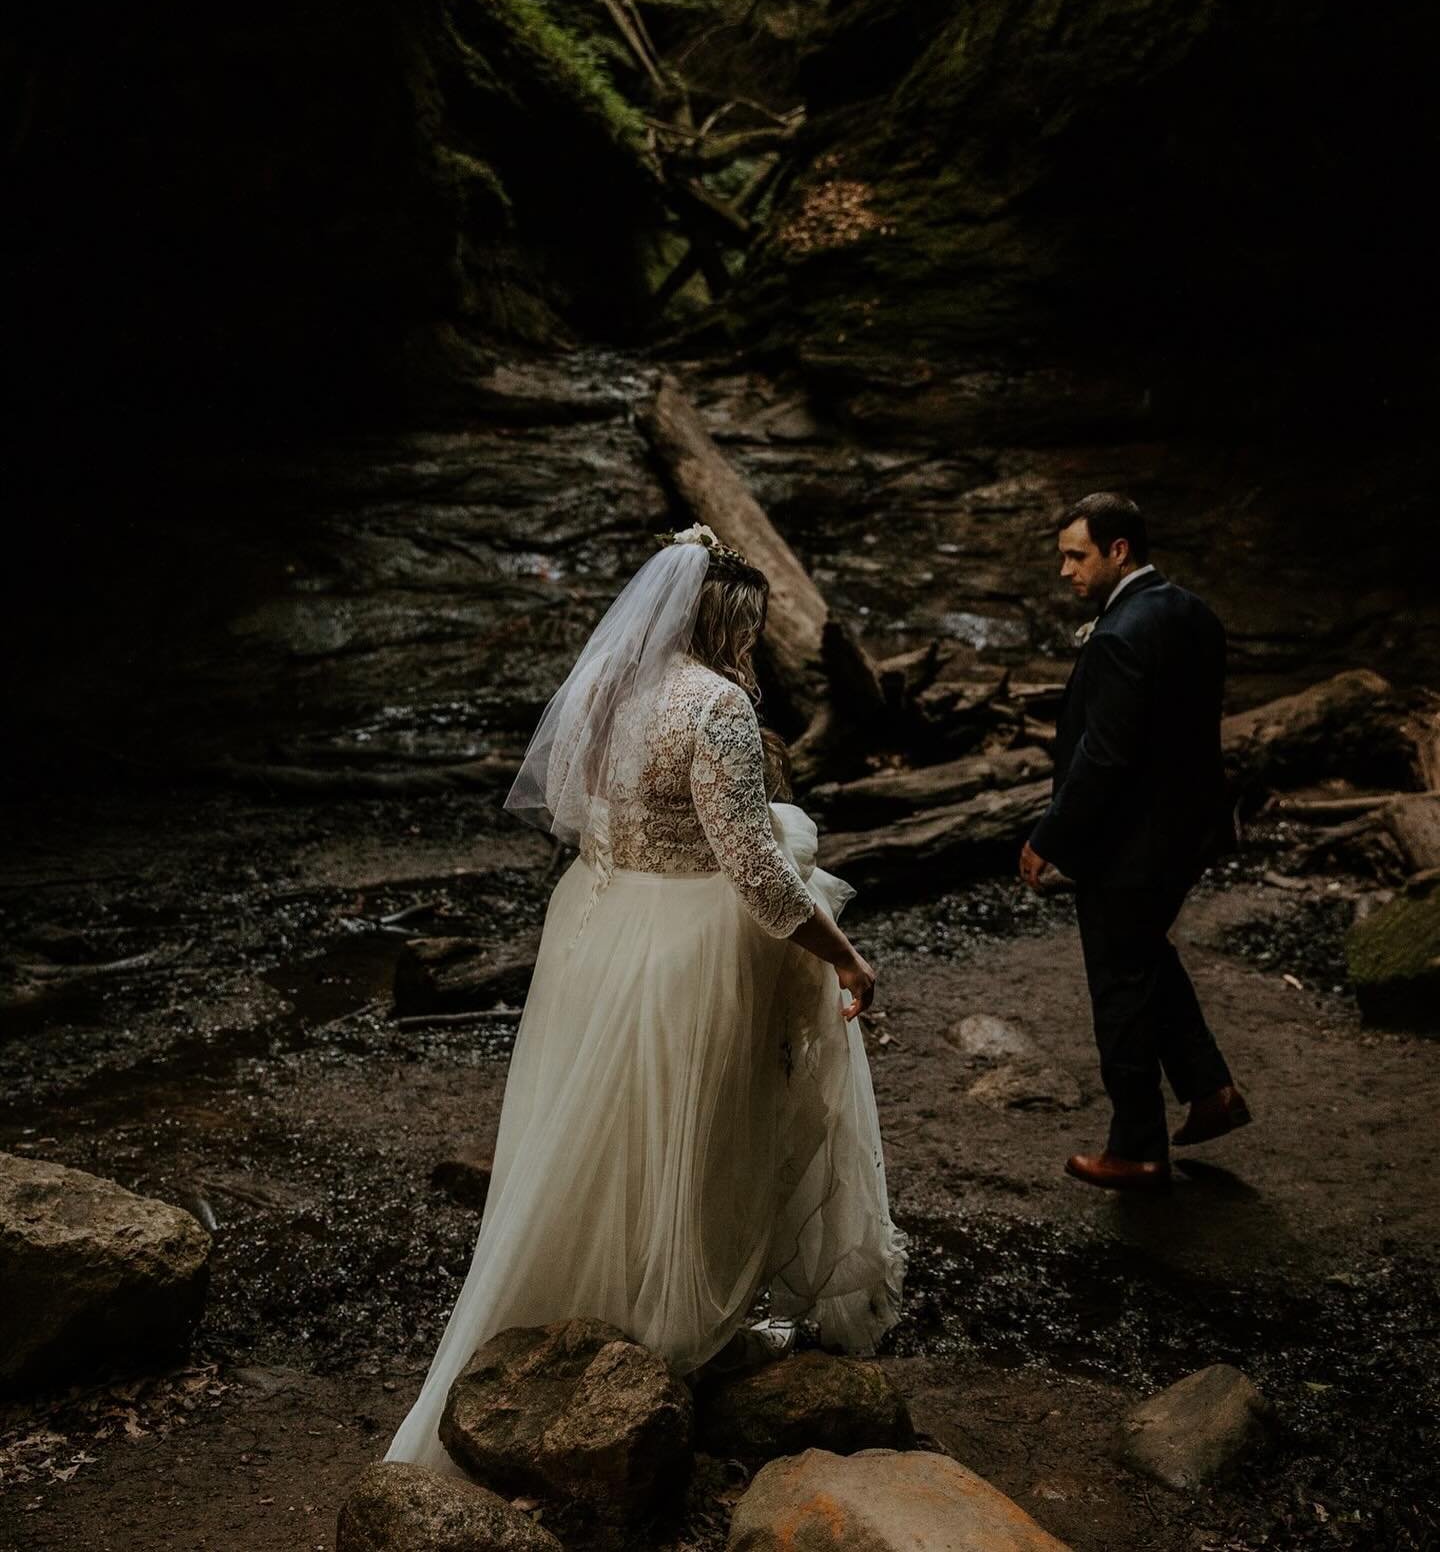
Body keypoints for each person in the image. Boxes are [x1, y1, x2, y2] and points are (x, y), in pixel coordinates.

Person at [385, 523, 906, 1478]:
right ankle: (665, 1335)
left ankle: (579, 1321)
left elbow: (582, 817)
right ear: (726, 620)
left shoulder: (607, 687)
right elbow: (754, 873)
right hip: (685, 950)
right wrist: (846, 956)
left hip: (595, 923)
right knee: (689, 1133)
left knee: (593, 1129)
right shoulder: (715, 709)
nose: (752, 647)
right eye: (748, 627)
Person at [1019, 493, 1251, 1192]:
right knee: (1144, 954)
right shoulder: (1192, 612)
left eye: (1075, 555)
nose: (1065, 571)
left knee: (1119, 983)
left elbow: (1107, 756)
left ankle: (1138, 1148)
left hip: (1133, 839)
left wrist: (1051, 834)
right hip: (1190, 827)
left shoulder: (1120, 633)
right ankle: (1211, 1090)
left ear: (1119, 550)